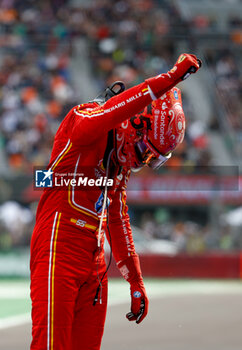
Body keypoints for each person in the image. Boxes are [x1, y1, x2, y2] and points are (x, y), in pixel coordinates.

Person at [30, 53, 201, 350]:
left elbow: (117, 218)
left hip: (94, 259)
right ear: (135, 121)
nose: (144, 161)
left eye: (154, 159)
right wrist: (168, 79)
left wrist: (135, 279)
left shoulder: (117, 164)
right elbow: (105, 118)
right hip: (59, 246)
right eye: (146, 151)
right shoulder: (84, 118)